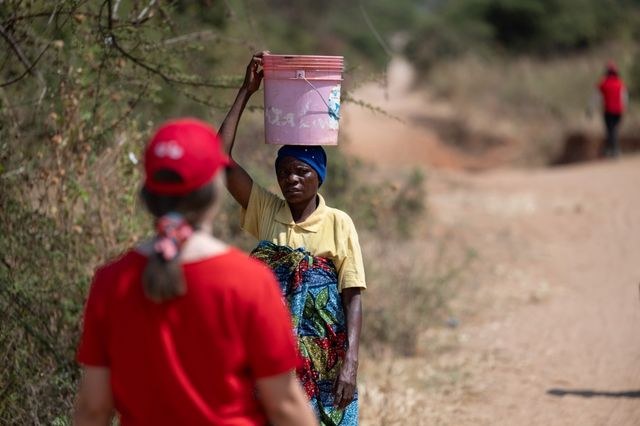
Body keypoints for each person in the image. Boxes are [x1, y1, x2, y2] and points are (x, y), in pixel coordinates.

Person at [73, 118, 318, 426]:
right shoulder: (249, 281)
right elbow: (284, 405)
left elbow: (93, 408)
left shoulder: (111, 282)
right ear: (215, 189)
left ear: (148, 193)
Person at [218, 53, 365, 426]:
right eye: (284, 172)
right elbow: (218, 158)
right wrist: (246, 91)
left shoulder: (338, 223)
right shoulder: (266, 210)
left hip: (326, 363)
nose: (291, 180)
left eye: (302, 171)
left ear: (319, 177)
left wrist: (351, 363)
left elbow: (353, 294)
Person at [596, 61, 628, 157]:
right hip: (619, 111)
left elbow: (596, 97)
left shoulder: (603, 83)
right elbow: (624, 97)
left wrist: (591, 109)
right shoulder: (620, 83)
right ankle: (613, 149)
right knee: (614, 130)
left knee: (610, 130)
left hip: (609, 111)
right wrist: (625, 107)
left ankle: (613, 150)